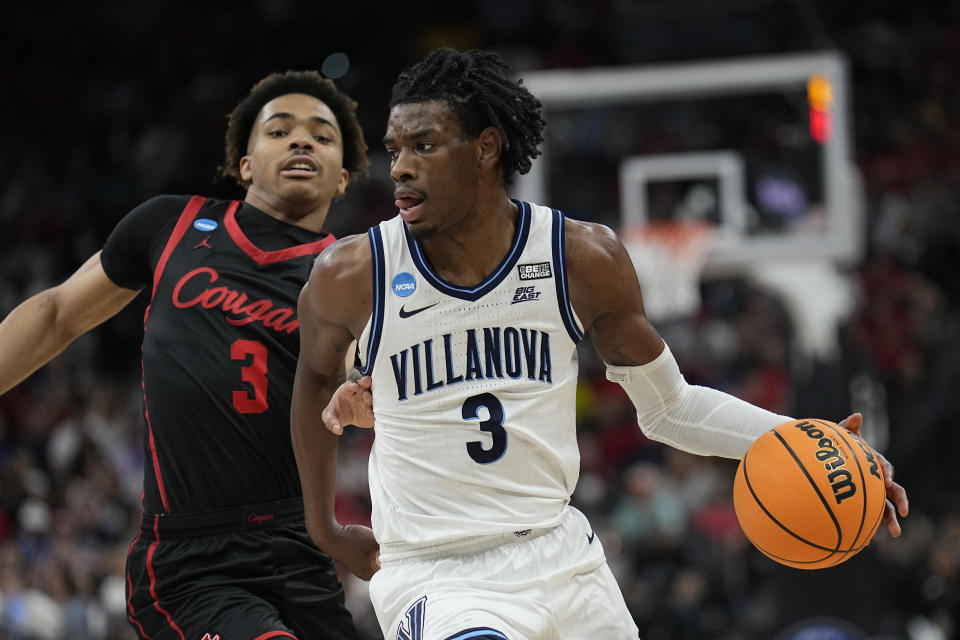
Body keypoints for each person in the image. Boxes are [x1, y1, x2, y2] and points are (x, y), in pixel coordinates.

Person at [291, 48, 910, 640]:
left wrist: (813, 438)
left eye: (424, 146)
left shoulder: (578, 257)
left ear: (485, 148)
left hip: (560, 556)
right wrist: (324, 527)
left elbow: (671, 408)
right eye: (395, 148)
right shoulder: (355, 273)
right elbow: (313, 383)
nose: (399, 166)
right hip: (437, 571)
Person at [0, 71, 369, 640]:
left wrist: (363, 391)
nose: (301, 141)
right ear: (245, 164)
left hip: (301, 553)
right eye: (280, 130)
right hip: (193, 561)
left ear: (342, 178)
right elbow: (56, 314)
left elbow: (362, 373)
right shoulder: (170, 225)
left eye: (322, 136)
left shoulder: (355, 273)